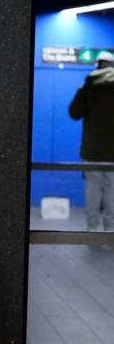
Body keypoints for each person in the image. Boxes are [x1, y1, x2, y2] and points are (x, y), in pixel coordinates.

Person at [68, 50, 114, 232]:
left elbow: (74, 113)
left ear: (97, 65)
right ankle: (111, 231)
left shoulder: (88, 86)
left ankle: (92, 230)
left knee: (93, 191)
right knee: (112, 192)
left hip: (92, 152)